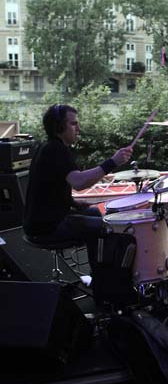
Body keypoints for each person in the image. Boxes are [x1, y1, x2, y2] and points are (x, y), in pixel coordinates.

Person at [23, 104, 132, 274]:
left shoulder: (47, 147)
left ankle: (98, 277)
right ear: (58, 126)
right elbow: (79, 183)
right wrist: (112, 162)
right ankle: (104, 284)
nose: (78, 128)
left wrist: (72, 202)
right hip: (47, 228)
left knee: (95, 213)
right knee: (107, 228)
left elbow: (48, 188)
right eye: (73, 124)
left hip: (39, 222)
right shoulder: (56, 149)